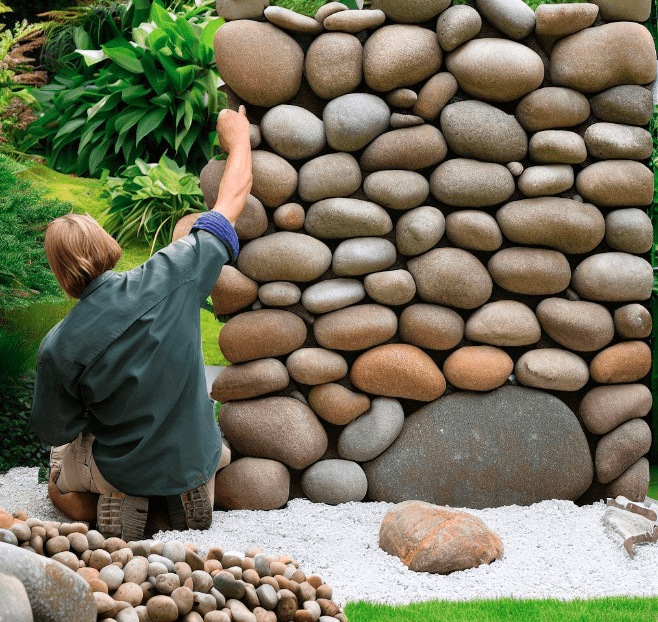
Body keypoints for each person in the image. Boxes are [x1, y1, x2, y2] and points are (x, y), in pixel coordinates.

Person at [30, 106, 252, 541]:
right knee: (203, 444)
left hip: (123, 465)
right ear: (108, 244)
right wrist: (239, 139)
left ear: (60, 275)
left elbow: (55, 427)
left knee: (58, 468)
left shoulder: (57, 347)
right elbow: (230, 203)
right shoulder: (177, 271)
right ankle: (183, 495)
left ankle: (112, 506)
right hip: (195, 454)